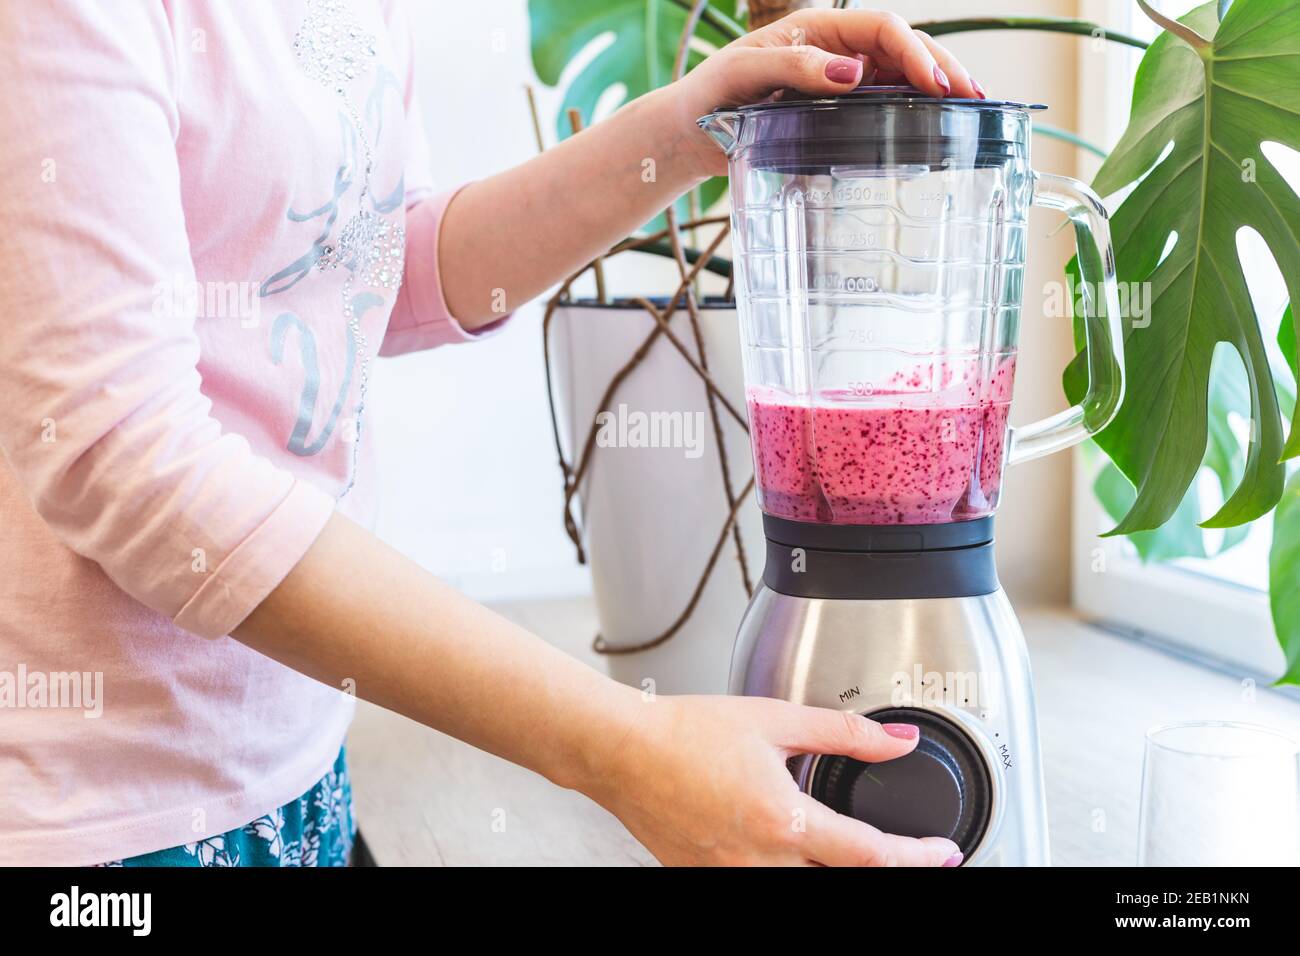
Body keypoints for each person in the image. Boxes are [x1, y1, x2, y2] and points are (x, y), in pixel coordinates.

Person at [0, 0, 981, 867]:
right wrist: (622, 747)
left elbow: (377, 269)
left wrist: (693, 126)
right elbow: (121, 455)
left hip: (291, 761)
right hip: (95, 811)